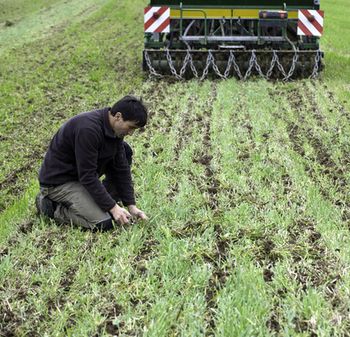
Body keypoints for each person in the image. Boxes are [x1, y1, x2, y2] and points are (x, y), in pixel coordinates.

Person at [36, 95, 148, 231]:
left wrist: (131, 205)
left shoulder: (115, 130)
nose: (130, 133)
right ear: (118, 116)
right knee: (105, 223)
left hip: (81, 178)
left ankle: (103, 200)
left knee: (125, 151)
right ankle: (50, 207)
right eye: (130, 127)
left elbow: (121, 168)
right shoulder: (88, 130)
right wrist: (113, 208)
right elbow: (87, 176)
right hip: (60, 182)